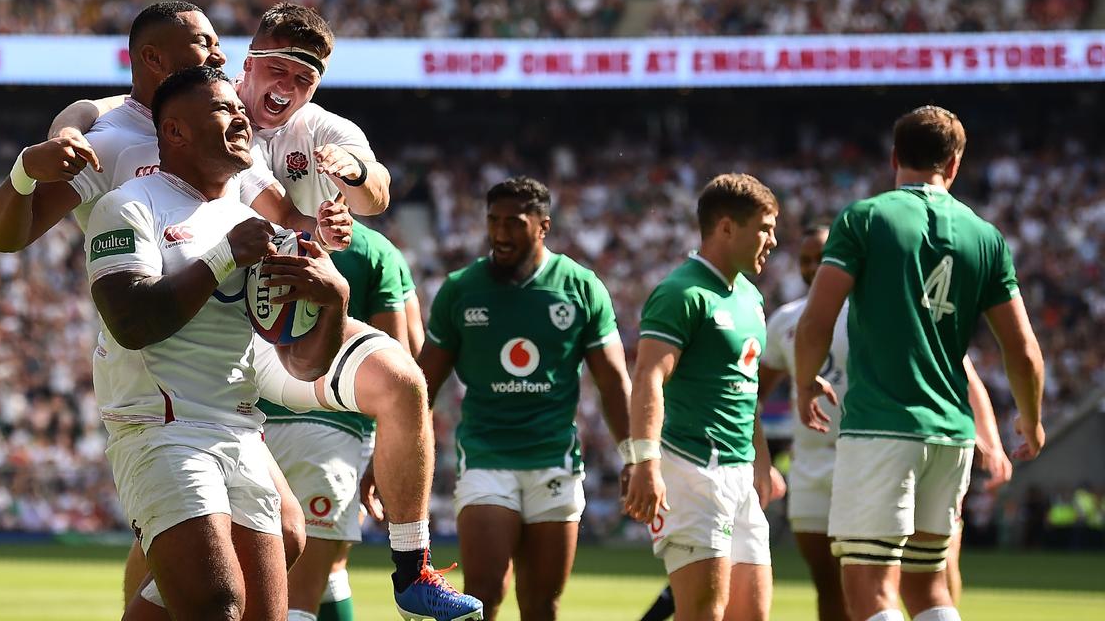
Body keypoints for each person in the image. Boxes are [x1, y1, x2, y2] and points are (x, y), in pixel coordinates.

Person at [23, 1, 481, 621]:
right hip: (173, 354)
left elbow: (366, 191)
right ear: (245, 63)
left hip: (264, 325)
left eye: (305, 78)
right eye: (276, 71)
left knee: (399, 383)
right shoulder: (145, 123)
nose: (286, 89)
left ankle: (411, 567)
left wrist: (340, 206)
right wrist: (58, 137)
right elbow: (82, 129)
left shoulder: (313, 129)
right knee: (186, 556)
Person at [633, 228, 1011, 621]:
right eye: (806, 260)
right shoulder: (785, 319)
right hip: (811, 468)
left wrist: (989, 438)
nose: (813, 267)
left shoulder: (884, 308)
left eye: (821, 257)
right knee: (832, 588)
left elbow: (960, 372)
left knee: (915, 578)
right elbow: (747, 394)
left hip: (877, 457)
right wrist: (755, 460)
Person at [84, 65, 351, 620]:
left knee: (261, 608)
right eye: (222, 108)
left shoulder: (253, 224)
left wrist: (334, 302)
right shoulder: (130, 206)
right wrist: (225, 254)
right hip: (162, 429)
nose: (241, 117)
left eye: (239, 107)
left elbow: (300, 364)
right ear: (175, 132)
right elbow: (130, 322)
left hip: (240, 429)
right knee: (217, 605)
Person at [794, 105, 1046, 621]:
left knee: (868, 590)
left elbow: (816, 319)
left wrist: (803, 383)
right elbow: (1021, 348)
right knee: (929, 592)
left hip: (881, 427)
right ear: (954, 164)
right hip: (950, 434)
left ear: (894, 157)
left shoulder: (864, 218)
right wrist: (1031, 419)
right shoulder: (987, 237)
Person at [419, 176, 632, 620]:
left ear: (543, 226)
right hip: (485, 458)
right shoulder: (460, 289)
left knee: (541, 603)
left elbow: (613, 380)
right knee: (483, 593)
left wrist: (637, 457)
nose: (499, 233)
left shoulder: (580, 287)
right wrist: (396, 457)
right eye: (493, 221)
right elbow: (424, 384)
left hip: (555, 460)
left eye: (513, 223)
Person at [623, 173, 778, 621]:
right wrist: (645, 462)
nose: (773, 239)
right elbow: (649, 376)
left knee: (752, 614)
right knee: (703, 614)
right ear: (727, 227)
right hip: (691, 471)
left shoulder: (750, 296)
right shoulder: (681, 293)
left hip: (739, 474)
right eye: (764, 227)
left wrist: (761, 460)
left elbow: (745, 390)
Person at [259, 220, 420, 621]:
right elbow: (400, 353)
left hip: (254, 416)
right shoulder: (374, 249)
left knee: (328, 567)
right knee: (301, 590)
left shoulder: (253, 229)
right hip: (330, 428)